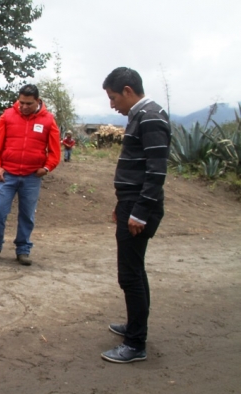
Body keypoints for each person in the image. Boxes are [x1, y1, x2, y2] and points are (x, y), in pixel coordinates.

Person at [99, 67, 171, 363]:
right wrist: (123, 204)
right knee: (134, 270)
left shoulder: (150, 116)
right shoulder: (140, 116)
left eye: (114, 97)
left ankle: (135, 343)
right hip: (131, 203)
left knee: (129, 275)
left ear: (128, 91)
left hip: (141, 207)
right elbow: (139, 167)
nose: (112, 104)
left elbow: (157, 171)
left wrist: (139, 212)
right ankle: (134, 326)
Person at [0, 84, 61, 266]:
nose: (24, 107)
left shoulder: (48, 120)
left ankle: (23, 250)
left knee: (27, 215)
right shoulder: (7, 116)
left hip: (32, 177)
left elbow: (55, 151)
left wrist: (47, 168)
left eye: (28, 103)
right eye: (21, 103)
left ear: (38, 101)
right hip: (7, 175)